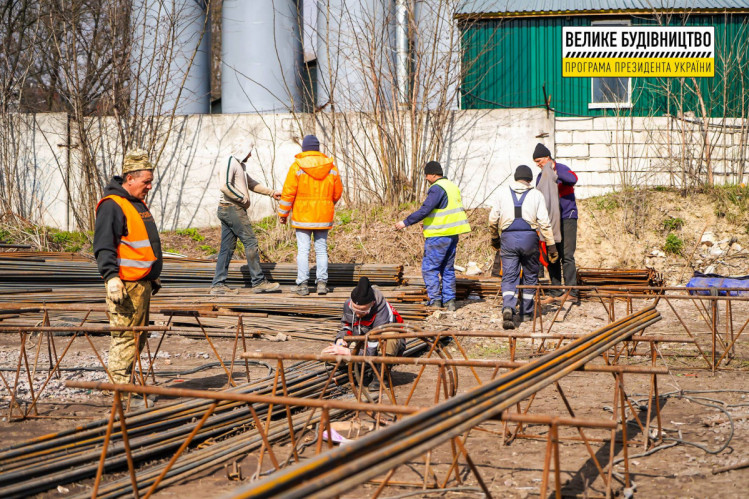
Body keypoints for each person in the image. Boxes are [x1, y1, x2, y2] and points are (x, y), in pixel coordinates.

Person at [94, 149, 163, 386]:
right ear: (130, 178)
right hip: (125, 286)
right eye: (146, 182)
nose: (149, 187)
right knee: (125, 339)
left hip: (140, 284)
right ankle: (119, 391)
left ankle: (125, 385)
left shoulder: (136, 204)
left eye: (151, 182)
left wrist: (151, 275)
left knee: (137, 338)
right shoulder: (112, 205)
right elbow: (104, 244)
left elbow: (140, 244)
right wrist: (111, 277)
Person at [395, 161, 471, 312]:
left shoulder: (437, 188)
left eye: (426, 175)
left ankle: (435, 300)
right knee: (447, 269)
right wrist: (429, 223)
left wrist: (405, 222)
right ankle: (450, 301)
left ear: (433, 174)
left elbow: (426, 209)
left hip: (439, 235)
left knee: (430, 268)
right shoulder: (452, 186)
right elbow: (444, 210)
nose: (426, 178)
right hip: (452, 234)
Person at [488, 165, 557, 329]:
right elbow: (544, 223)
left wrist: (494, 237)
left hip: (508, 238)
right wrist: (551, 246)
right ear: (530, 180)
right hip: (529, 239)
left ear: (516, 178)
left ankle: (508, 307)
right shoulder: (536, 195)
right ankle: (526, 312)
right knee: (530, 275)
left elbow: (492, 219)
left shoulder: (502, 193)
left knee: (509, 276)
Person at [278, 134, 343, 296]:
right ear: (318, 148)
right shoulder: (331, 167)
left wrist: (283, 214)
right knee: (321, 250)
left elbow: (288, 193)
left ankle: (303, 284)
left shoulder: (297, 166)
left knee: (303, 250)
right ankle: (322, 283)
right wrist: (327, 204)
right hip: (323, 216)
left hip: (302, 216)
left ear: (304, 149)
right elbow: (337, 192)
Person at [211, 146, 281, 295]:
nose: (250, 154)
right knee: (250, 242)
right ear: (242, 150)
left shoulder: (239, 165)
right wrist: (242, 198)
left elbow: (252, 184)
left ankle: (218, 285)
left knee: (227, 248)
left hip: (228, 209)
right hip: (232, 209)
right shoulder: (229, 162)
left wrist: (272, 193)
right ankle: (259, 282)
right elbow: (225, 186)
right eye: (249, 150)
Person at [323, 277, 405, 390]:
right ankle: (357, 368)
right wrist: (341, 340)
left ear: (372, 304)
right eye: (354, 310)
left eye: (362, 312)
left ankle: (381, 374)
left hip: (382, 345)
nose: (357, 315)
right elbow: (346, 326)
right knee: (327, 354)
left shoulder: (383, 312)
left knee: (389, 337)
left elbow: (373, 349)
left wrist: (350, 353)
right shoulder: (348, 305)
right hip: (362, 341)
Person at [532, 143, 579, 299]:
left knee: (567, 255)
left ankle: (572, 290)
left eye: (539, 161)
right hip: (551, 220)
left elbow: (573, 179)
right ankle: (556, 289)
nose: (538, 165)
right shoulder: (540, 177)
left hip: (567, 217)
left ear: (548, 157)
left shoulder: (561, 168)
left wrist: (554, 170)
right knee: (553, 254)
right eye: (536, 162)